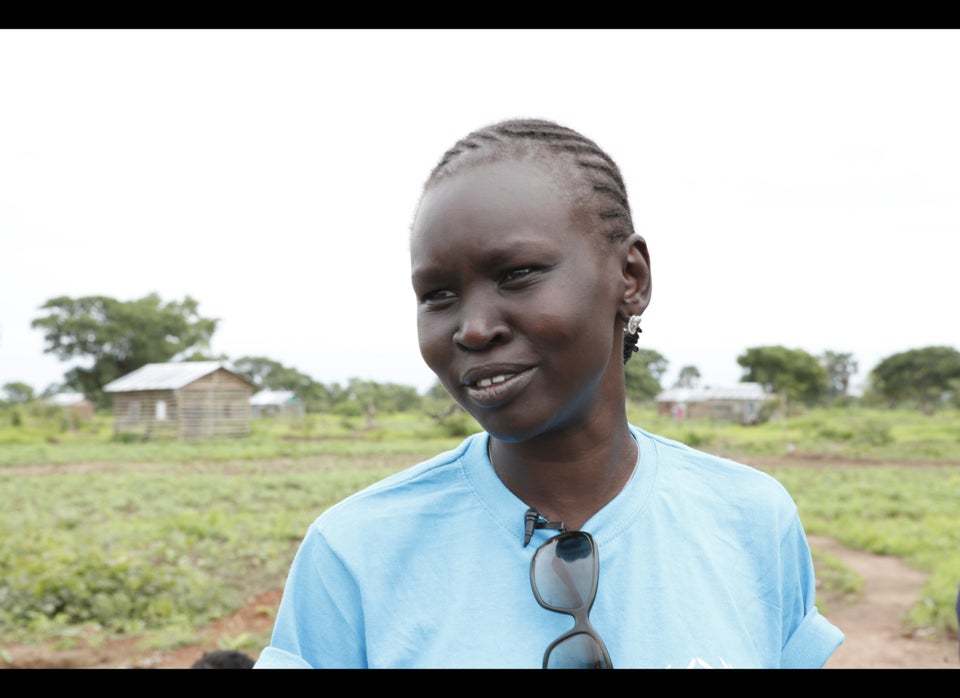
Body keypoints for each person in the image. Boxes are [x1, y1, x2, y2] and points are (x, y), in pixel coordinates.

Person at [254, 117, 845, 669]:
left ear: (630, 278)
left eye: (517, 274)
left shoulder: (750, 520)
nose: (474, 327)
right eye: (437, 294)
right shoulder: (355, 553)